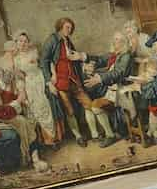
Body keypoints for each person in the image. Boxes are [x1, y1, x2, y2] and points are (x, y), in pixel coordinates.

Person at [39, 17, 112, 147]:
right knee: (70, 111)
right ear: (60, 26)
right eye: (67, 27)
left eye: (71, 28)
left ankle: (96, 134)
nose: (69, 30)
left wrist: (83, 64)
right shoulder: (52, 40)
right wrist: (49, 81)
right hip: (60, 82)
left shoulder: (68, 41)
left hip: (74, 79)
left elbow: (75, 59)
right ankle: (78, 136)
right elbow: (44, 61)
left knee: (89, 104)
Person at [7, 32, 59, 146]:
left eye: (25, 41)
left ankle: (51, 139)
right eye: (20, 41)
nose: (23, 43)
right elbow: (19, 77)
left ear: (28, 43)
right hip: (29, 84)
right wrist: (22, 89)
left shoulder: (34, 52)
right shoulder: (15, 59)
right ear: (16, 43)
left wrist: (52, 76)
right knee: (34, 110)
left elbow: (47, 63)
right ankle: (40, 140)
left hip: (41, 79)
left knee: (45, 107)